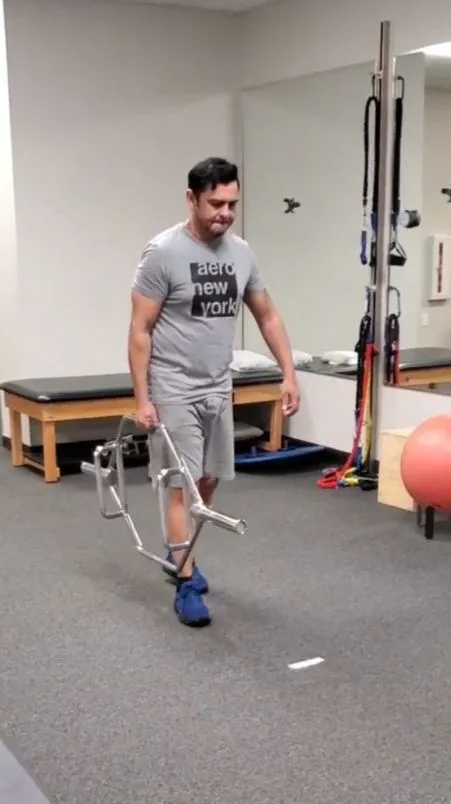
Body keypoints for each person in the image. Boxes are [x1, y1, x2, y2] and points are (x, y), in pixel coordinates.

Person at [128, 157, 300, 627]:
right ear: (192, 198)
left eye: (232, 204)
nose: (225, 213)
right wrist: (143, 398)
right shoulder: (163, 252)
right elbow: (140, 329)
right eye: (215, 203)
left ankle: (179, 551)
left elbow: (267, 315)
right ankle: (185, 581)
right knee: (182, 486)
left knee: (208, 481)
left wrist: (289, 373)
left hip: (218, 385)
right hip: (174, 386)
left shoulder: (242, 253)